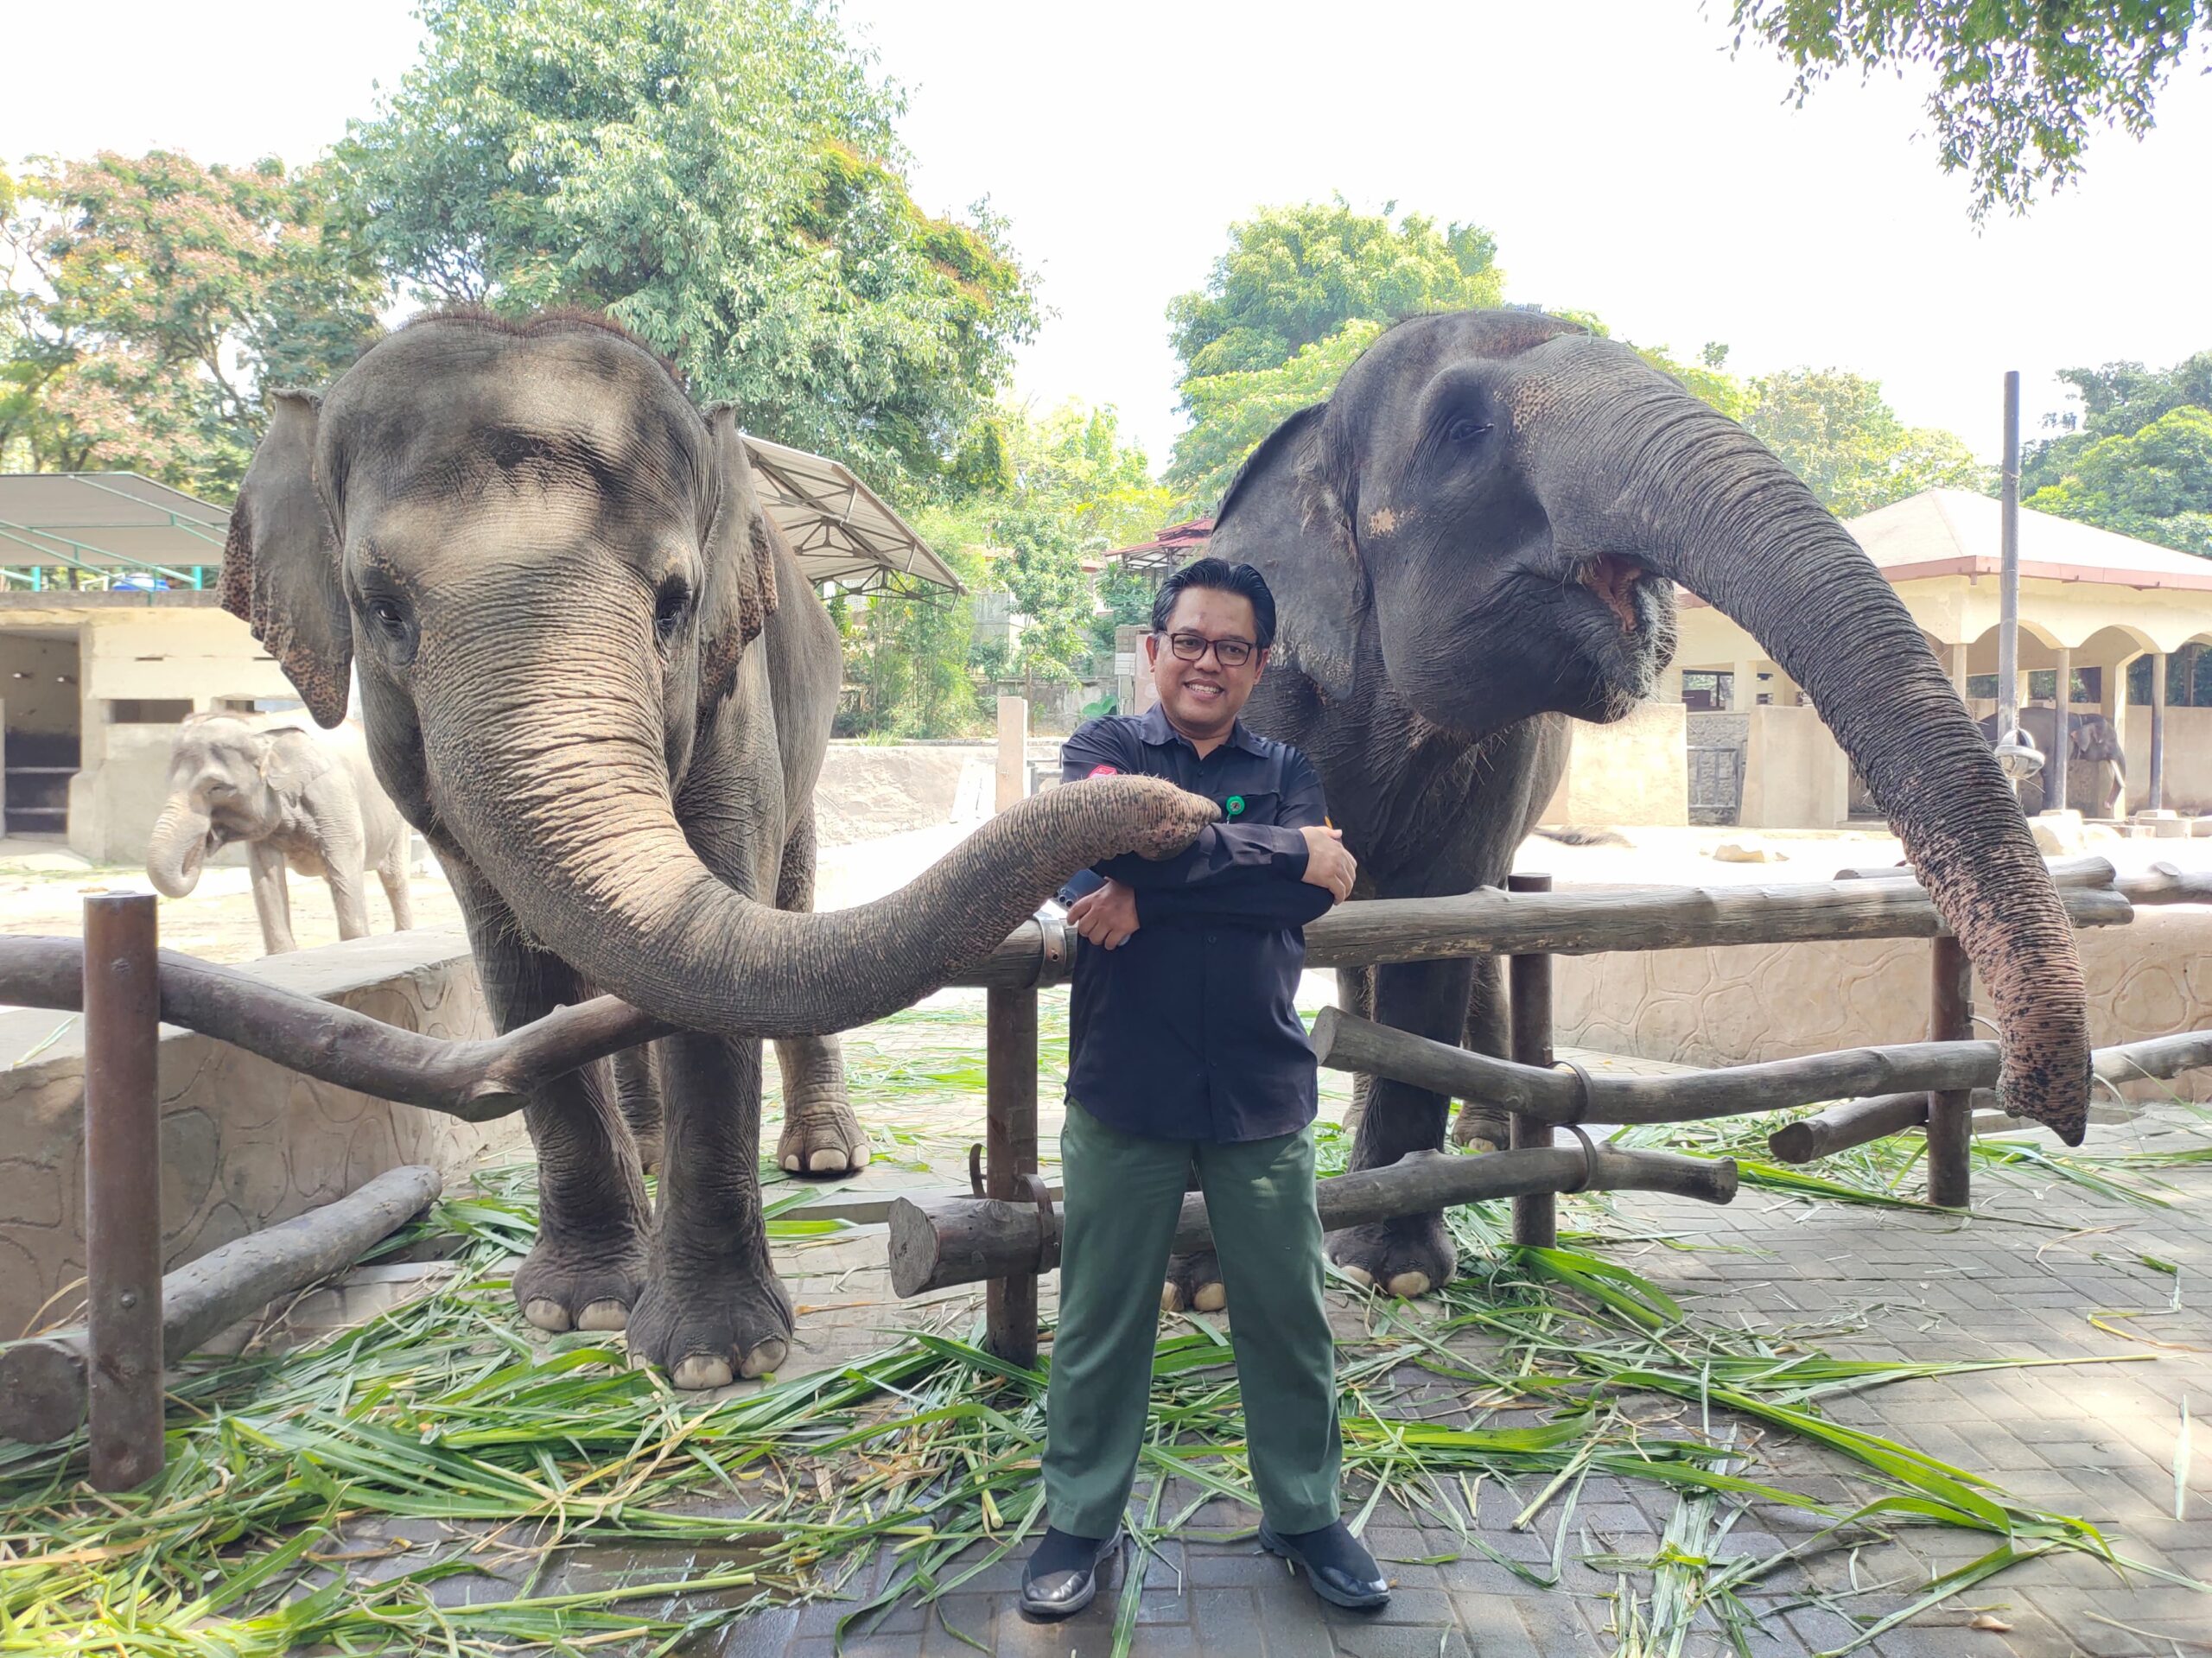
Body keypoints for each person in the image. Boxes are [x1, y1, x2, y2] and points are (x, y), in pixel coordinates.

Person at [1019, 557, 1390, 1619]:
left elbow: (1306, 898)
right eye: (1189, 640)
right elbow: (1077, 854)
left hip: (1259, 1086)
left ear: (1259, 663)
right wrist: (1268, 860)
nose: (1207, 662)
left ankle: (1306, 1510)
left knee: (1288, 1314)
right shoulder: (1102, 750)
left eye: (1232, 647)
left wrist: (1153, 872)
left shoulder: (1290, 764)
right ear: (1153, 648)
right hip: (1124, 1082)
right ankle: (1080, 1520)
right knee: (1100, 1315)